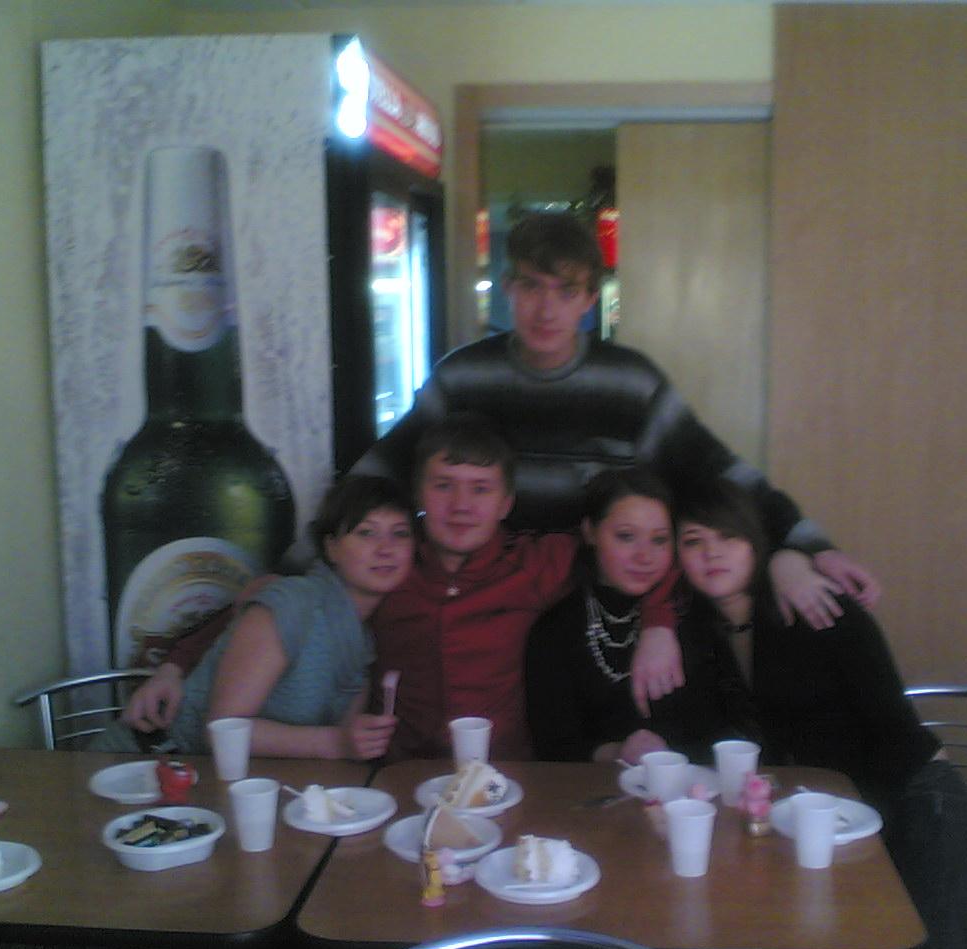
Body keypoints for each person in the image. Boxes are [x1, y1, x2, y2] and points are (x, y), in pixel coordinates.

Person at [352, 210, 878, 633]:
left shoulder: (631, 382)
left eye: (566, 291)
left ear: (589, 300)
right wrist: (317, 551)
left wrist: (808, 545)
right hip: (487, 609)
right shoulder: (463, 376)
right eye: (532, 287)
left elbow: (716, 471)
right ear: (507, 288)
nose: (546, 309)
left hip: (600, 613)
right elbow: (389, 466)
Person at [673, 477, 967, 949]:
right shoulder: (698, 633)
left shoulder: (816, 605)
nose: (712, 553)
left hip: (914, 791)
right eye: (694, 541)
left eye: (728, 536)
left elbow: (894, 729)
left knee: (916, 940)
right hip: (819, 809)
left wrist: (850, 814)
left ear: (756, 542)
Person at [369, 416, 679, 761]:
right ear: (417, 495)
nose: (461, 505)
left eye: (480, 489)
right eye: (443, 485)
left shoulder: (535, 563)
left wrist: (658, 624)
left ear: (506, 503)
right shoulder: (386, 563)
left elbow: (642, 556)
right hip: (401, 770)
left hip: (510, 771)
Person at [92, 475, 414, 760]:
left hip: (222, 787)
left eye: (400, 533)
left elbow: (334, 752)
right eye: (366, 533)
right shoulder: (292, 602)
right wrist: (338, 743)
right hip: (141, 764)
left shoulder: (364, 643)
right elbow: (223, 729)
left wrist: (357, 743)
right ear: (331, 548)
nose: (385, 548)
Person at [526, 468, 750, 765]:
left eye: (659, 540)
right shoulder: (555, 629)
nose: (644, 557)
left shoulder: (695, 609)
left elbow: (733, 726)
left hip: (696, 786)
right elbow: (554, 746)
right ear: (590, 532)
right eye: (626, 536)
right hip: (591, 789)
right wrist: (617, 752)